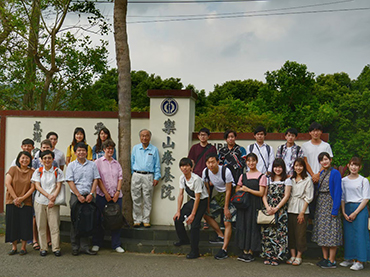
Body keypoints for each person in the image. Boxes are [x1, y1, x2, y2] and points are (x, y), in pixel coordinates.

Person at [66, 142, 100, 256]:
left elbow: (96, 179)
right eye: (79, 150)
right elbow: (70, 181)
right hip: (76, 197)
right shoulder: (71, 165)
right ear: (75, 153)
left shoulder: (92, 165)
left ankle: (85, 247)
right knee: (75, 221)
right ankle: (75, 247)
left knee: (88, 221)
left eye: (83, 150)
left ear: (87, 152)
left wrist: (91, 193)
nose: (81, 152)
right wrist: (78, 195)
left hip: (89, 196)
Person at [92, 139, 124, 253]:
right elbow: (98, 178)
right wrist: (105, 193)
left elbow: (120, 178)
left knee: (116, 220)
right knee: (99, 219)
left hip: (116, 196)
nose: (110, 150)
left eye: (112, 148)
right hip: (102, 195)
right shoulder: (98, 162)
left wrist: (117, 192)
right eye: (108, 148)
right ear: (104, 149)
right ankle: (97, 243)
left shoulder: (116, 163)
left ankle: (116, 244)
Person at [202, 153, 236, 260]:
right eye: (208, 162)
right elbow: (207, 189)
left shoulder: (225, 171)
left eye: (213, 162)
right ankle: (220, 235)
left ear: (217, 162)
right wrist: (207, 206)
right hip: (219, 196)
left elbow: (229, 190)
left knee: (227, 220)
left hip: (230, 195)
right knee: (205, 214)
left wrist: (226, 208)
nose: (211, 165)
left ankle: (224, 249)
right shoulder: (206, 172)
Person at [173, 158, 209, 259]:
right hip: (193, 200)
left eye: (187, 165)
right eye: (182, 166)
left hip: (201, 201)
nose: (184, 168)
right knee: (177, 219)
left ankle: (195, 251)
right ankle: (184, 239)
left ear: (191, 167)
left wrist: (193, 215)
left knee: (194, 225)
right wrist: (178, 211)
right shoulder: (182, 178)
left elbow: (198, 197)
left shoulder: (196, 179)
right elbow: (181, 195)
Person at [31, 150, 64, 257]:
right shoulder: (38, 171)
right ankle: (43, 247)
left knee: (54, 226)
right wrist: (48, 196)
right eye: (44, 158)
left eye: (49, 158)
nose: (47, 160)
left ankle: (56, 248)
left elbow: (59, 185)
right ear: (41, 160)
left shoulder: (57, 171)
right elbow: (37, 186)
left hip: (53, 202)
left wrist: (53, 197)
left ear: (53, 159)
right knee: (41, 225)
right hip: (40, 201)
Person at [312, 152, 342, 268]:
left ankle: (332, 260)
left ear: (330, 160)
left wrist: (335, 209)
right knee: (322, 233)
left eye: (326, 159)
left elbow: (338, 192)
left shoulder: (335, 173)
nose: (324, 161)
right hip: (321, 204)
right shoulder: (322, 173)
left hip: (330, 203)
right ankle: (325, 258)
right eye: (322, 160)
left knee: (332, 233)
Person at [235, 153, 267, 263]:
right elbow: (237, 189)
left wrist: (248, 190)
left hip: (255, 205)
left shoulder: (261, 176)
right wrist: (241, 190)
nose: (251, 163)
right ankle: (244, 250)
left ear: (256, 161)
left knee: (252, 226)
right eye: (248, 161)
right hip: (243, 205)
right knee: (243, 225)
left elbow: (261, 193)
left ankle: (251, 252)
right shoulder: (242, 175)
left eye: (253, 161)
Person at [340, 157, 370, 271]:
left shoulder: (363, 180)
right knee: (348, 234)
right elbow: (342, 197)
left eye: (356, 165)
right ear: (348, 165)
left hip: (360, 209)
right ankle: (349, 258)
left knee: (360, 234)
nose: (354, 167)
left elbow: (366, 198)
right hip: (347, 208)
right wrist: (343, 211)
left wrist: (355, 212)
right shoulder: (344, 180)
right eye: (352, 165)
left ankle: (360, 261)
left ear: (360, 167)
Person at [261, 158, 292, 265]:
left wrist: (276, 208)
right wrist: (268, 207)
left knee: (280, 233)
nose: (277, 169)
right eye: (275, 167)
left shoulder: (287, 180)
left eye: (279, 167)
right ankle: (268, 255)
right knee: (268, 233)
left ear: (283, 168)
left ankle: (277, 257)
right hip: (269, 210)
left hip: (280, 210)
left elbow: (286, 196)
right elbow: (264, 195)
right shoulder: (268, 179)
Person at [5, 151, 35, 256]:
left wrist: (22, 198)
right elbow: (7, 183)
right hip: (11, 201)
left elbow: (33, 188)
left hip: (26, 202)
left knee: (25, 224)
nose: (24, 160)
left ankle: (23, 247)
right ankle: (14, 247)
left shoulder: (32, 171)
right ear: (18, 159)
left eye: (27, 158)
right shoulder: (12, 169)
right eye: (22, 158)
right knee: (12, 224)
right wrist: (15, 198)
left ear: (30, 160)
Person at [301, 122, 333, 220]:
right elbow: (305, 162)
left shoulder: (326, 146)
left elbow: (328, 160)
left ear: (321, 132)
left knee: (321, 203)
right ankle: (310, 227)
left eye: (318, 131)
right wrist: (313, 175)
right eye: (313, 131)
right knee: (309, 202)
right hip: (308, 178)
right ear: (310, 133)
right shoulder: (305, 146)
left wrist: (319, 174)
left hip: (323, 178)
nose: (316, 133)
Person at [131, 129, 161, 228]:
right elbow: (132, 162)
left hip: (148, 176)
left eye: (146, 136)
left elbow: (157, 165)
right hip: (136, 175)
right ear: (140, 137)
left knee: (147, 199)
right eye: (142, 136)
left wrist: (156, 177)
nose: (144, 138)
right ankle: (137, 220)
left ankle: (146, 220)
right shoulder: (135, 148)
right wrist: (133, 174)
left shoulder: (154, 150)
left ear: (150, 137)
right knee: (136, 198)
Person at [286, 158, 314, 266]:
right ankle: (292, 255)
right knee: (291, 232)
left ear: (304, 167)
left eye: (300, 166)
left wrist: (302, 212)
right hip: (291, 207)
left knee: (300, 233)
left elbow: (309, 197)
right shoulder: (291, 179)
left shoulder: (308, 179)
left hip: (302, 208)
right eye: (296, 166)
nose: (298, 168)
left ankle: (299, 255)